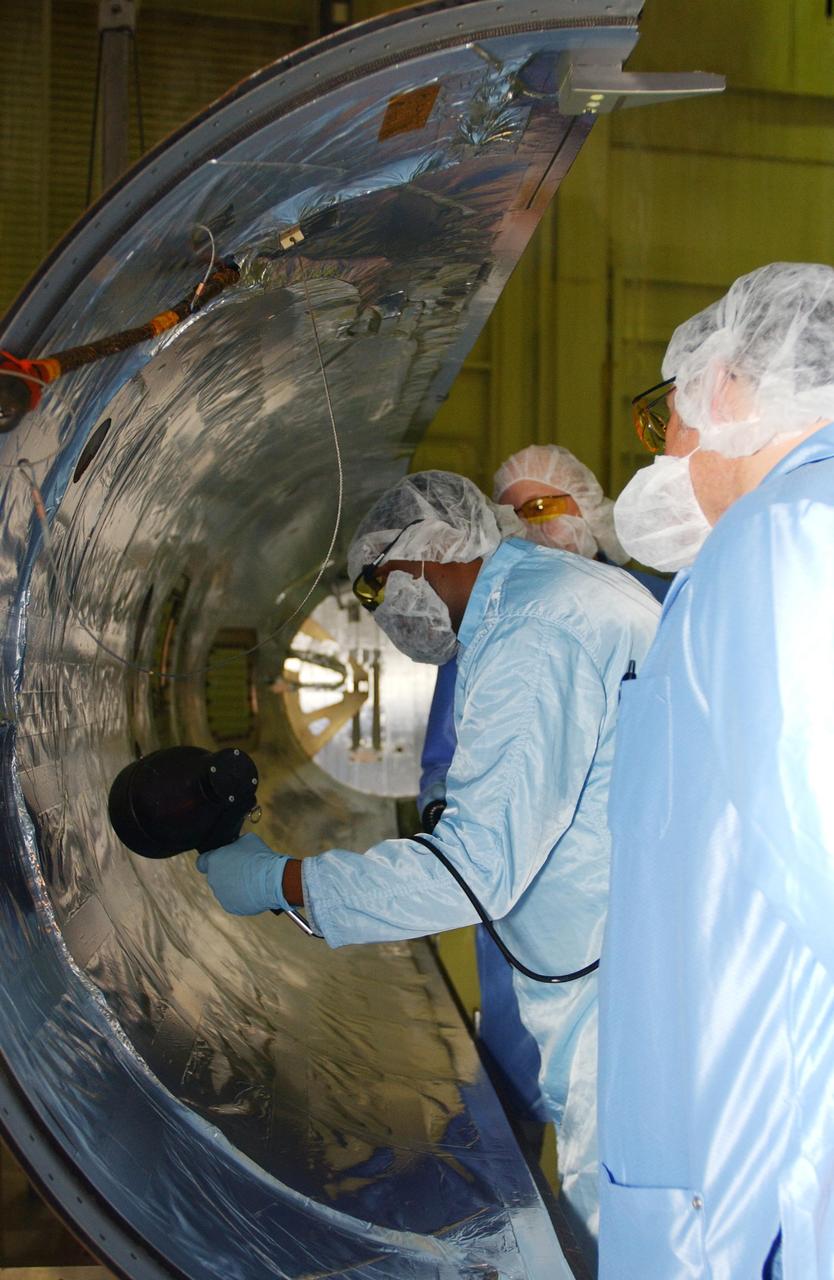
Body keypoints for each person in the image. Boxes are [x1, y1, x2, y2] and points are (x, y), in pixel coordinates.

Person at [197, 470, 659, 1265]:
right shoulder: (532, 604)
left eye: (376, 590)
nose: (381, 619)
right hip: (612, 958)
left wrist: (280, 882)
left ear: (428, 553)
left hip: (622, 989)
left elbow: (472, 872)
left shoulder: (533, 632)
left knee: (627, 1232)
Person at [597, 262, 834, 1279]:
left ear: (734, 386)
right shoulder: (763, 544)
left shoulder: (789, 534)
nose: (666, 446)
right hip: (722, 1161)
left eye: (672, 411)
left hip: (752, 1190)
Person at [417, 445, 651, 1155]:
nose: (532, 526)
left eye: (546, 507)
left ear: (590, 508)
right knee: (518, 1083)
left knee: (632, 1098)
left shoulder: (655, 606)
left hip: (640, 902)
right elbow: (441, 764)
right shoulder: (487, 630)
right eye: (514, 514)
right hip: (525, 915)